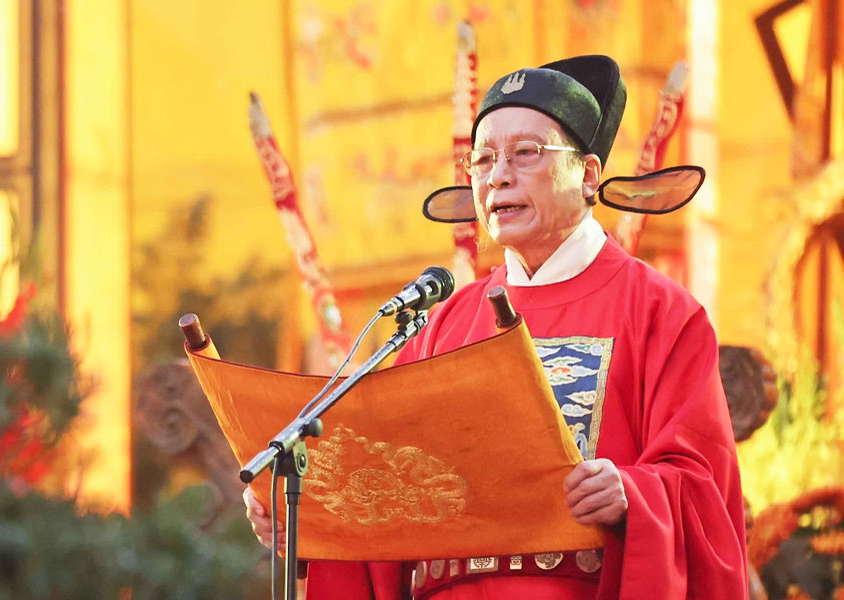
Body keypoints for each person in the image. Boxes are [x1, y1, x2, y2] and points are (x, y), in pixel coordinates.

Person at [245, 54, 748, 599]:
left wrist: (632, 492)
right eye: (482, 160)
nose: (498, 175)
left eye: (525, 153)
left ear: (587, 174)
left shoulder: (661, 313)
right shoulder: (443, 324)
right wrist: (309, 520)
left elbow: (707, 494)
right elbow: (389, 483)